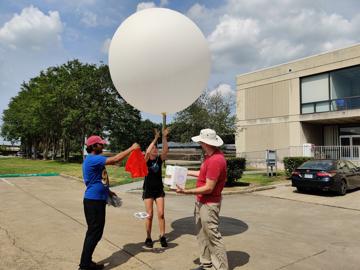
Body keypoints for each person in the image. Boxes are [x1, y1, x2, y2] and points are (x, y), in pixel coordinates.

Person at [79, 135, 139, 270]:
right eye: (100, 144)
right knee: (94, 232)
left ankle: (86, 262)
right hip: (93, 201)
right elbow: (116, 159)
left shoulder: (94, 160)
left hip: (97, 200)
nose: (103, 146)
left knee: (96, 233)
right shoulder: (93, 159)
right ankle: (84, 265)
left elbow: (97, 179)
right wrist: (132, 148)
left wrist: (108, 191)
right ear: (93, 146)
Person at [176, 129, 228, 270]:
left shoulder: (216, 160)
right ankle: (206, 264)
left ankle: (221, 267)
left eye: (200, 141)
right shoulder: (209, 157)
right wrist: (184, 171)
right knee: (201, 234)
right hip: (201, 202)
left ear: (205, 142)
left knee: (212, 236)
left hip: (209, 204)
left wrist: (186, 191)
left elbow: (209, 187)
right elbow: (203, 174)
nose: (199, 142)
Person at [142, 128, 169, 248]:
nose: (155, 149)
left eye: (156, 148)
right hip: (148, 190)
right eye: (154, 148)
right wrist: (155, 138)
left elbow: (166, 150)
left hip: (159, 190)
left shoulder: (159, 160)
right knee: (149, 214)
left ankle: (162, 236)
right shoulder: (146, 160)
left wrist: (164, 137)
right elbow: (147, 151)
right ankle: (148, 237)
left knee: (161, 214)